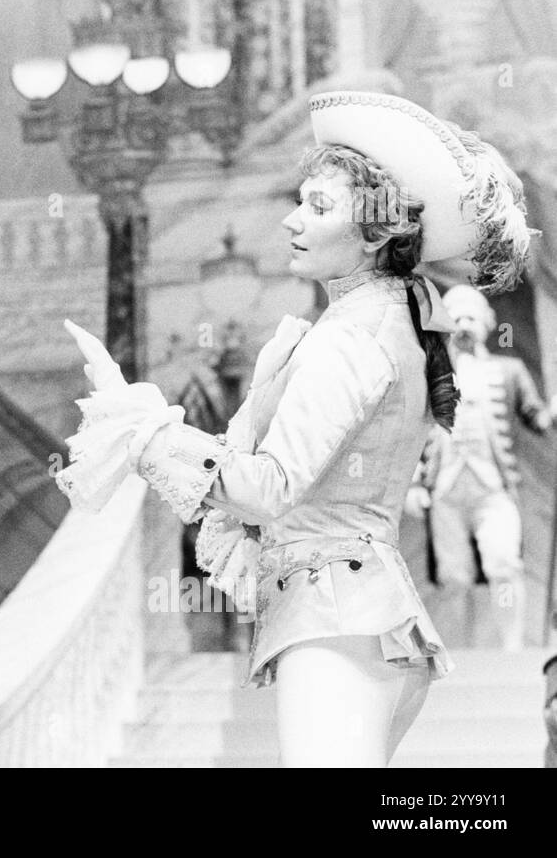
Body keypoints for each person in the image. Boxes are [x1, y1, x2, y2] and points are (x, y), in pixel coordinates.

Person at [55, 91, 535, 766]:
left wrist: (142, 427)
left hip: (335, 624)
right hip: (364, 616)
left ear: (376, 233)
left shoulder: (353, 336)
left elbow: (266, 488)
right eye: (298, 200)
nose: (289, 220)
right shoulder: (386, 317)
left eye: (317, 206)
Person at [408, 283, 551, 651]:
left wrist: (550, 413)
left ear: (488, 323)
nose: (465, 325)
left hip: (494, 488)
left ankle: (511, 645)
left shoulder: (509, 369)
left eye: (472, 317)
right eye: (458, 318)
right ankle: (458, 651)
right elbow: (410, 434)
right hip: (446, 489)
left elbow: (536, 418)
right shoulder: (430, 376)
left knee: (503, 565)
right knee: (454, 578)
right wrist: (414, 484)